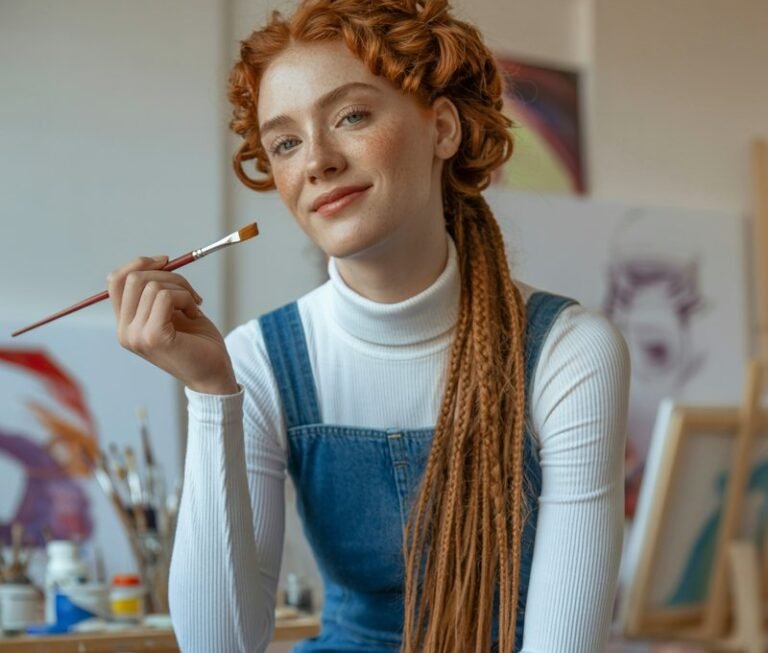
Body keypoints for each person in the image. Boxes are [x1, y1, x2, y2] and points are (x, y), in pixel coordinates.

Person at [106, 0, 630, 651]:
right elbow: (219, 645)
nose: (317, 161)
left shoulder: (569, 352)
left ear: (442, 129)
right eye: (286, 143)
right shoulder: (256, 360)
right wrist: (212, 395)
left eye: (351, 116)